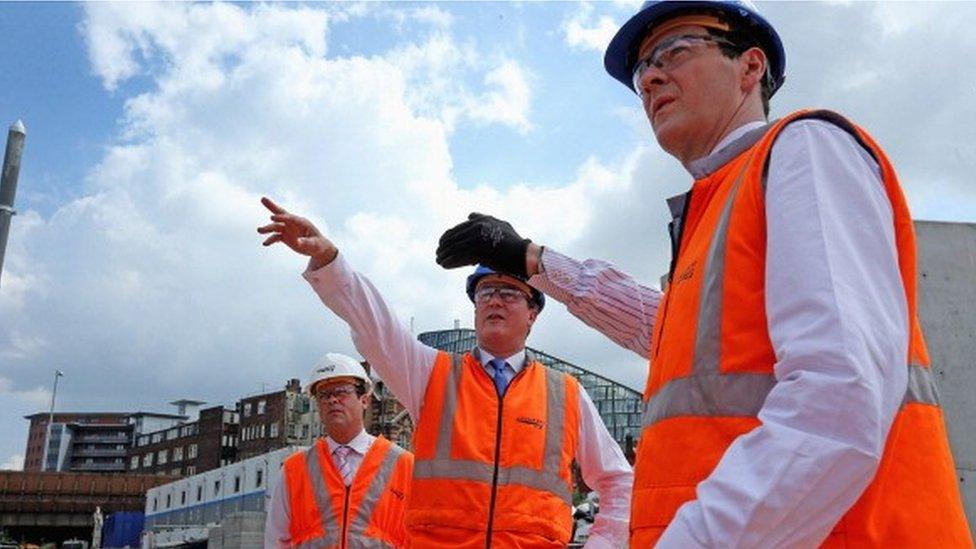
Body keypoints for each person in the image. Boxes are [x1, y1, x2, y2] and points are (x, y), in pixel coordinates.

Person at [434, 1, 972, 546]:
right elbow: (663, 329)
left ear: (750, 67)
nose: (650, 77)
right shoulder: (718, 206)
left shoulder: (804, 149)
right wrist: (531, 259)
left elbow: (838, 396)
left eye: (674, 51)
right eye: (642, 69)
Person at [257, 196, 633, 548]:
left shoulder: (564, 394)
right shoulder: (432, 375)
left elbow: (619, 481)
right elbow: (376, 328)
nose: (495, 300)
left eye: (509, 292)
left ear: (533, 312)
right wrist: (329, 260)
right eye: (485, 292)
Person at [265, 353, 414, 548]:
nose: (332, 400)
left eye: (341, 392)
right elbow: (276, 541)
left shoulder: (405, 466)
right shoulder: (294, 471)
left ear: (365, 399)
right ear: (317, 403)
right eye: (324, 395)